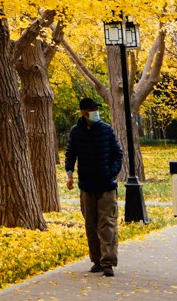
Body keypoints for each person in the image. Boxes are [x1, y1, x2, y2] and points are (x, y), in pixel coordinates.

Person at [65, 96, 124, 278]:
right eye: (92, 110)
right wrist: (69, 173)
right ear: (84, 112)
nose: (95, 112)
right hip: (87, 186)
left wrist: (111, 172)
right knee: (90, 224)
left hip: (106, 185)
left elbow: (118, 153)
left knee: (107, 223)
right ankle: (96, 261)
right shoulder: (76, 132)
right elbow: (70, 153)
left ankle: (108, 263)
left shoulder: (106, 130)